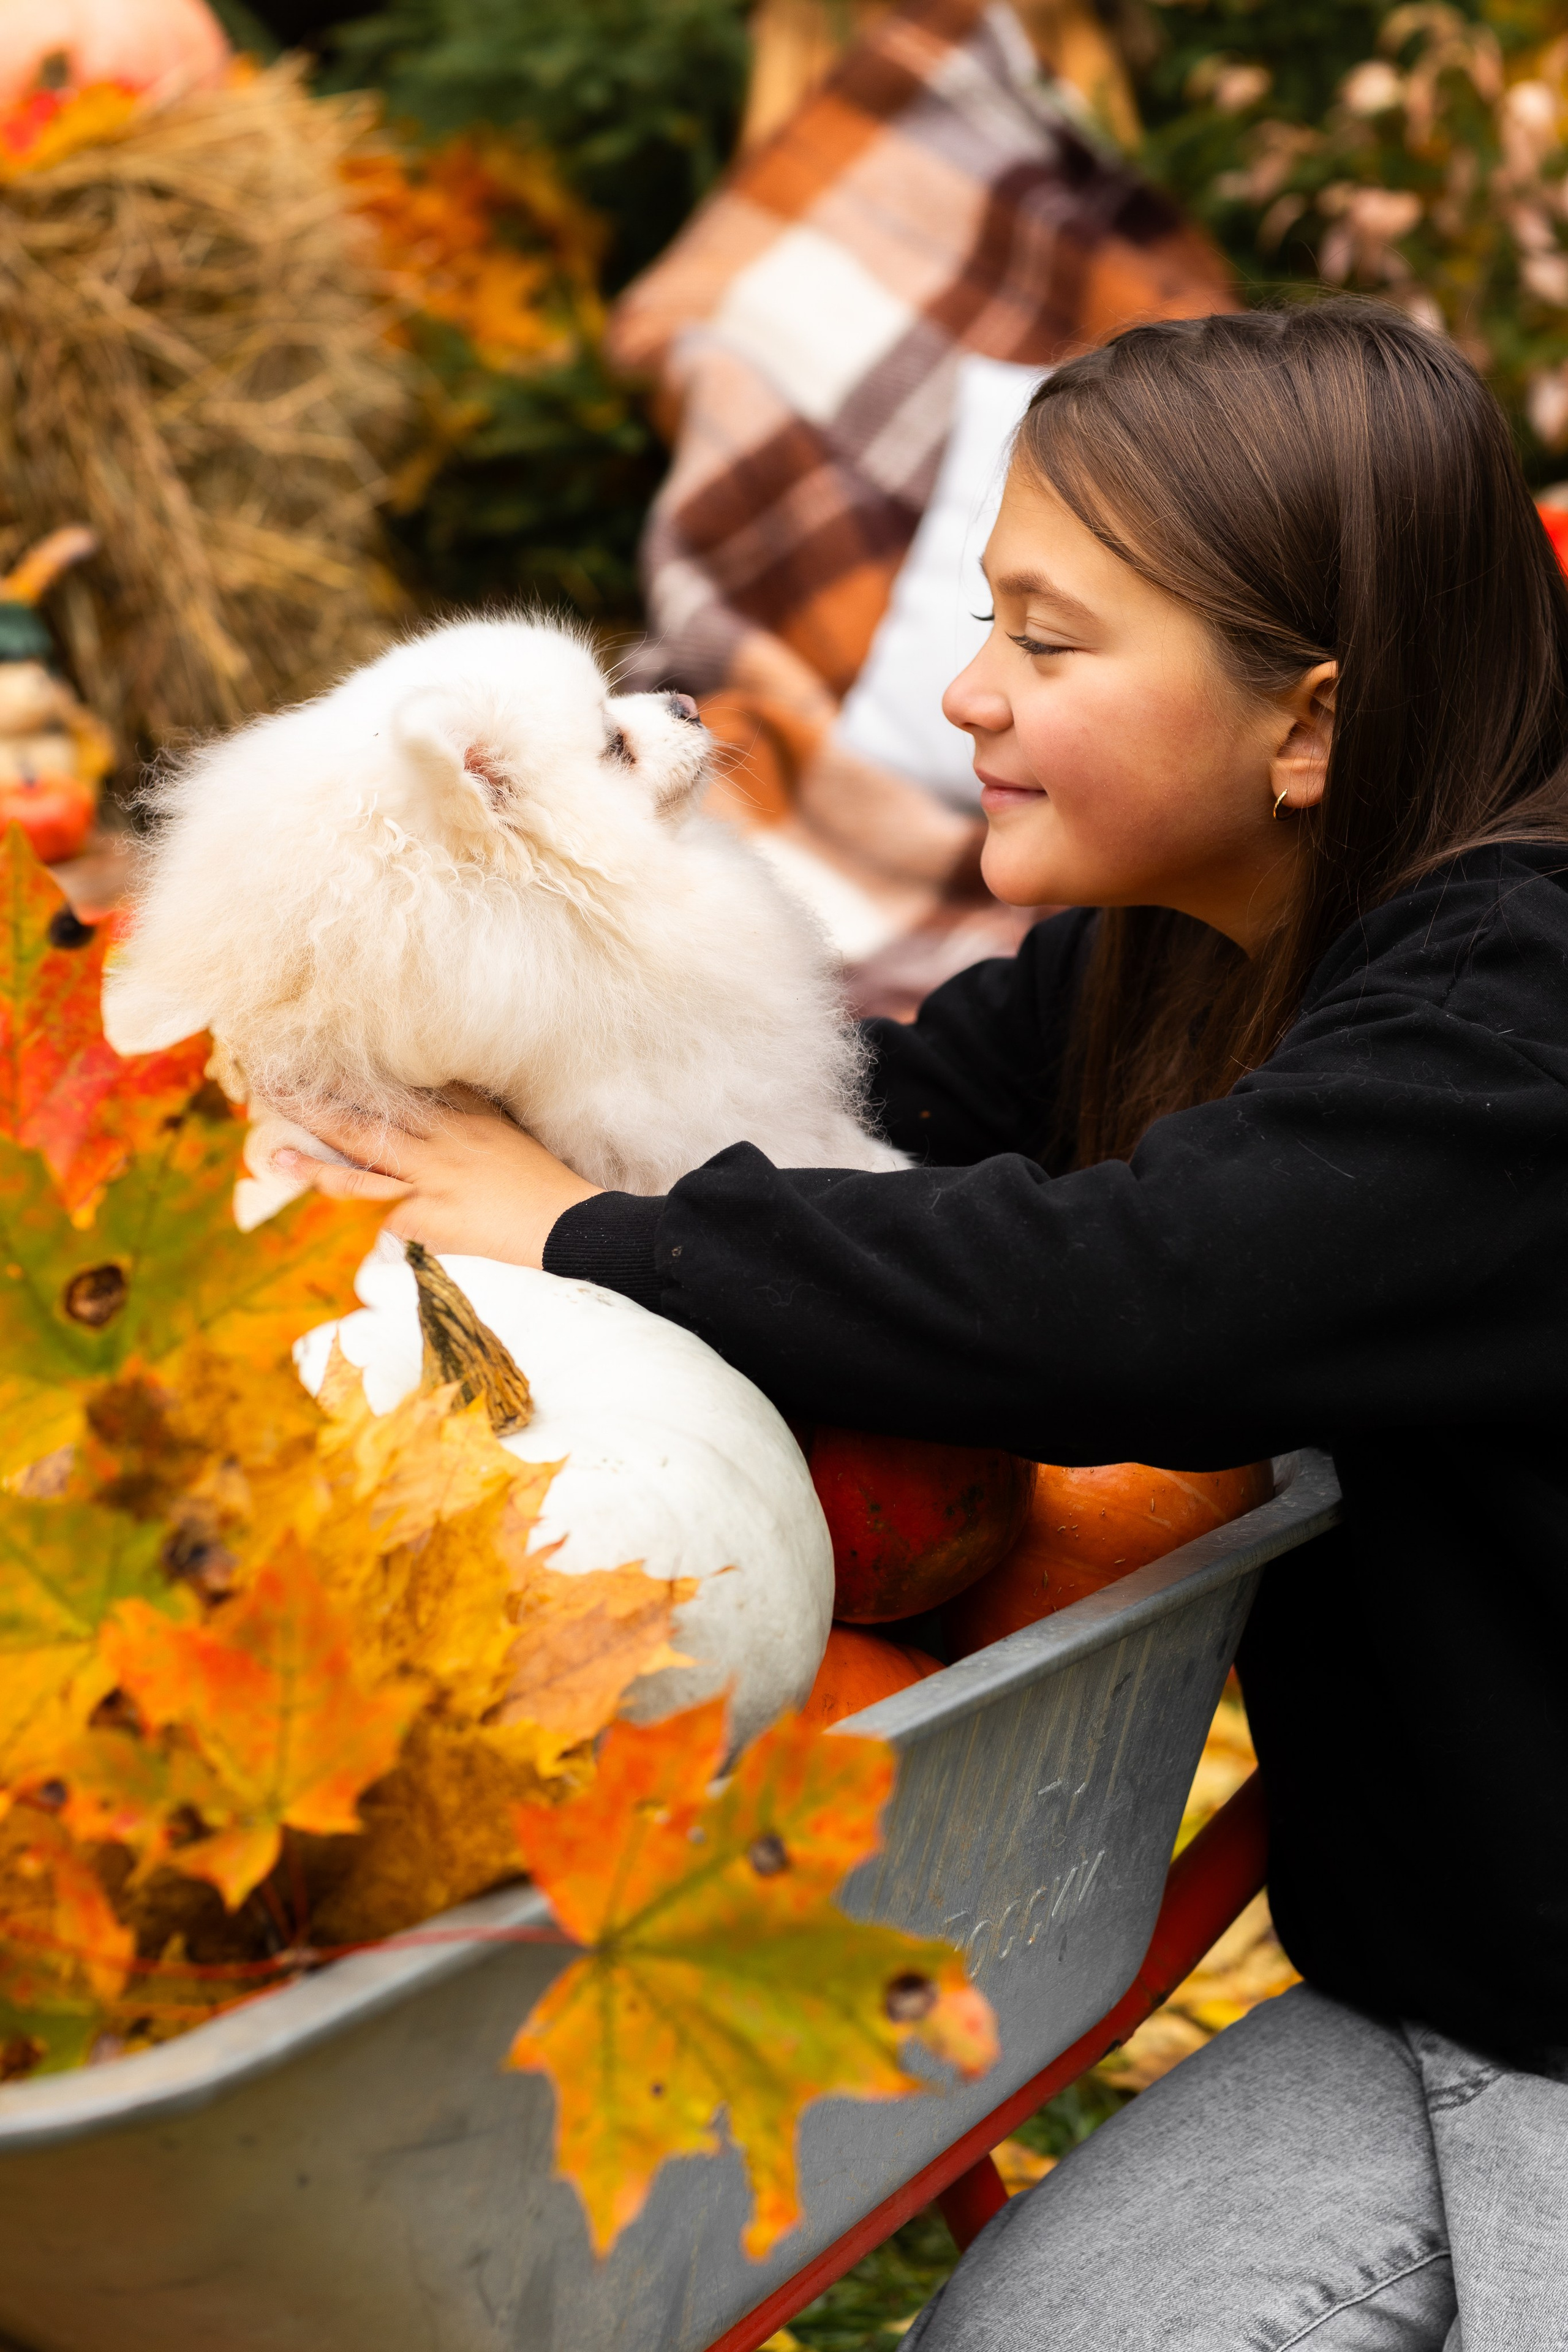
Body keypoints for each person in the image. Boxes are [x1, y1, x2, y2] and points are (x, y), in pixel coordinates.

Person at [277, 300, 1568, 2348]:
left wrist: (588, 1233)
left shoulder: (1523, 1006)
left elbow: (1134, 1295)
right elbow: (866, 1126)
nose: (965, 693)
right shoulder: (1165, 956)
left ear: (1308, 724)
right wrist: (492, 1058)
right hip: (1431, 1975)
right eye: (987, 620)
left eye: (1048, 645)